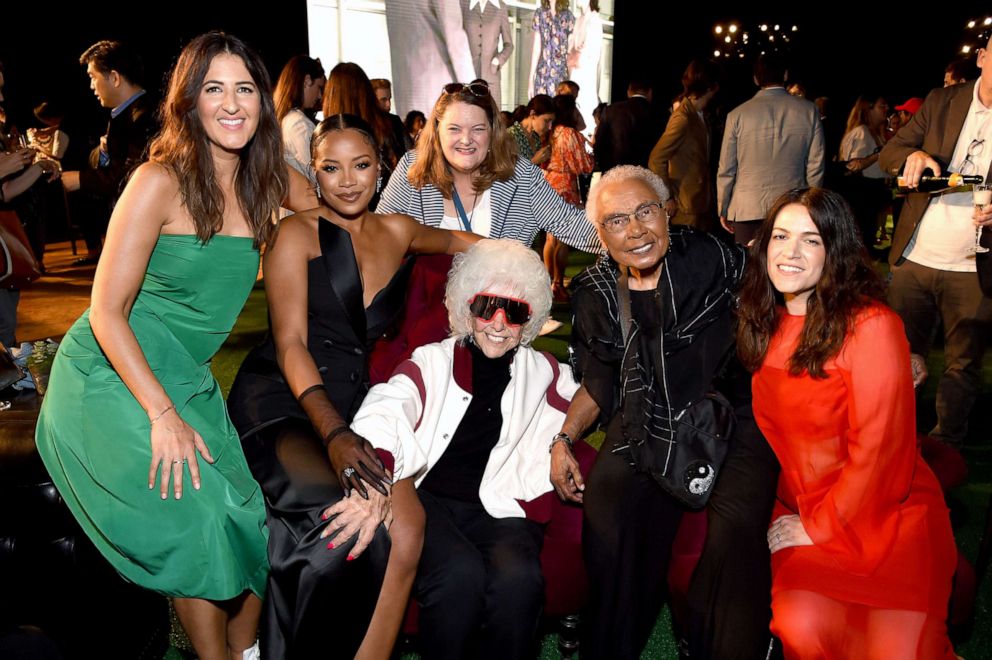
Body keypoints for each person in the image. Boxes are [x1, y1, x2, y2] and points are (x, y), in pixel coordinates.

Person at [34, 32, 317, 660]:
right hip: (110, 372)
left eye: (245, 88)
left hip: (184, 375)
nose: (232, 103)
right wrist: (161, 417)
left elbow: (342, 210)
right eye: (213, 89)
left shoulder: (265, 185)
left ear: (263, 104)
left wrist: (445, 234)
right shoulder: (157, 182)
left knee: (248, 517)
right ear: (188, 103)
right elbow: (107, 312)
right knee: (199, 517)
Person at [226, 113, 478, 659]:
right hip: (285, 402)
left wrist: (519, 262)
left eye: (360, 165)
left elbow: (471, 242)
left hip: (358, 405)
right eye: (331, 168)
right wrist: (335, 432)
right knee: (338, 525)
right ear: (313, 174)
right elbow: (291, 343)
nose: (346, 180)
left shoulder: (399, 230)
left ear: (382, 168)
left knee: (404, 526)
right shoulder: (295, 234)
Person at [549, 166, 780, 659]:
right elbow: (600, 381)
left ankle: (720, 645)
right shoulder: (594, 292)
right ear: (599, 234)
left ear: (666, 212)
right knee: (607, 504)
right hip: (645, 415)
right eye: (616, 221)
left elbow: (787, 297)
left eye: (645, 211)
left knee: (734, 526)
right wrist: (564, 439)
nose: (634, 230)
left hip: (731, 414)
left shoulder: (712, 257)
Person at [736, 187, 956, 658]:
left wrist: (822, 525)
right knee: (802, 624)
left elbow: (881, 450)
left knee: (897, 648)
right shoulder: (760, 323)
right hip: (800, 506)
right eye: (780, 236)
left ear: (835, 250)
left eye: (811, 240)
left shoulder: (870, 325)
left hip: (883, 513)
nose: (790, 252)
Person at [351, 238, 580, 660]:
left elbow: (591, 397)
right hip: (431, 500)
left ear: (530, 319)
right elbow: (385, 407)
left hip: (501, 504)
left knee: (520, 582)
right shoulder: (432, 360)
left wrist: (561, 443)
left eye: (514, 312)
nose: (497, 323)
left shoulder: (545, 371)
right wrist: (378, 466)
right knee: (458, 577)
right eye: (485, 306)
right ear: (464, 307)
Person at [878, 35, 992, 448]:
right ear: (981, 57)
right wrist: (915, 157)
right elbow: (891, 151)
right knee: (896, 363)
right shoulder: (943, 101)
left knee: (962, 368)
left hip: (975, 265)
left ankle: (946, 456)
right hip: (916, 259)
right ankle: (892, 445)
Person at [61, 40, 157, 265]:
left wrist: (80, 180)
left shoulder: (144, 118)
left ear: (114, 77)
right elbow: (102, 156)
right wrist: (103, 152)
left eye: (93, 77)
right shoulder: (123, 115)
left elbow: (134, 176)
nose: (92, 86)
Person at [717, 52, 826, 245]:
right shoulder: (809, 111)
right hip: (790, 204)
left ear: (756, 78)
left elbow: (727, 168)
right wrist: (812, 203)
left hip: (746, 207)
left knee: (749, 268)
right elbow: (815, 165)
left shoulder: (737, 115)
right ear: (785, 75)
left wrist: (723, 207)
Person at [648, 59, 720, 232]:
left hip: (700, 203)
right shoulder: (683, 118)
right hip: (686, 206)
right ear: (711, 86)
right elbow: (657, 158)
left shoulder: (701, 115)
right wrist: (667, 196)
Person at [323, 63, 407, 189]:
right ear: (366, 90)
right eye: (384, 100)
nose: (388, 105)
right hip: (389, 199)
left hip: (346, 200)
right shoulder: (389, 123)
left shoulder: (325, 134)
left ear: (331, 95)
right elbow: (408, 165)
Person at [543, 93, 593, 299]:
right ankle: (557, 285)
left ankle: (547, 285)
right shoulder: (570, 134)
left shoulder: (550, 131)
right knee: (562, 239)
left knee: (549, 239)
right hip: (565, 186)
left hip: (547, 183)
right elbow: (584, 165)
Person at [838, 94, 890, 248]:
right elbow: (854, 165)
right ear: (869, 109)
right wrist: (880, 154)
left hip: (872, 191)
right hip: (864, 193)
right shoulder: (862, 132)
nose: (887, 109)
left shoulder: (874, 133)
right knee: (863, 239)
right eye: (882, 106)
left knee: (868, 238)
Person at [273, 54, 325, 182]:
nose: (319, 96)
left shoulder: (284, 119)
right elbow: (314, 175)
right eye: (319, 87)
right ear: (307, 81)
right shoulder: (299, 124)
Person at [593, 79, 661, 172]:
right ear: (650, 92)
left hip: (615, 172)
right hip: (646, 174)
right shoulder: (660, 114)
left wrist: (606, 169)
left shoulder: (611, 110)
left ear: (628, 92)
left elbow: (600, 143)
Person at [460, 0, 513, 108]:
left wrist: (498, 60)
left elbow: (509, 45)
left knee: (493, 118)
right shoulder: (463, 4)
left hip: (491, 76)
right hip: (467, 76)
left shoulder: (501, 7)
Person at [566, 0, 602, 137]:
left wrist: (578, 55)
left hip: (586, 72)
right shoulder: (579, 20)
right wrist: (574, 53)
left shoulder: (594, 19)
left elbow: (592, 52)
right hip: (575, 71)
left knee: (586, 103)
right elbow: (572, 47)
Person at [529, 0, 575, 97]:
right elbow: (536, 48)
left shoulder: (568, 16)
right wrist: (530, 80)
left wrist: (572, 79)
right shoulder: (540, 13)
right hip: (543, 75)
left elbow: (570, 50)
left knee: (559, 109)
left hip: (561, 75)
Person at [506, 93, 554, 166]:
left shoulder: (536, 138)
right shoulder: (510, 136)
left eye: (551, 122)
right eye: (546, 121)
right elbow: (506, 173)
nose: (549, 127)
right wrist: (534, 161)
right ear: (532, 114)